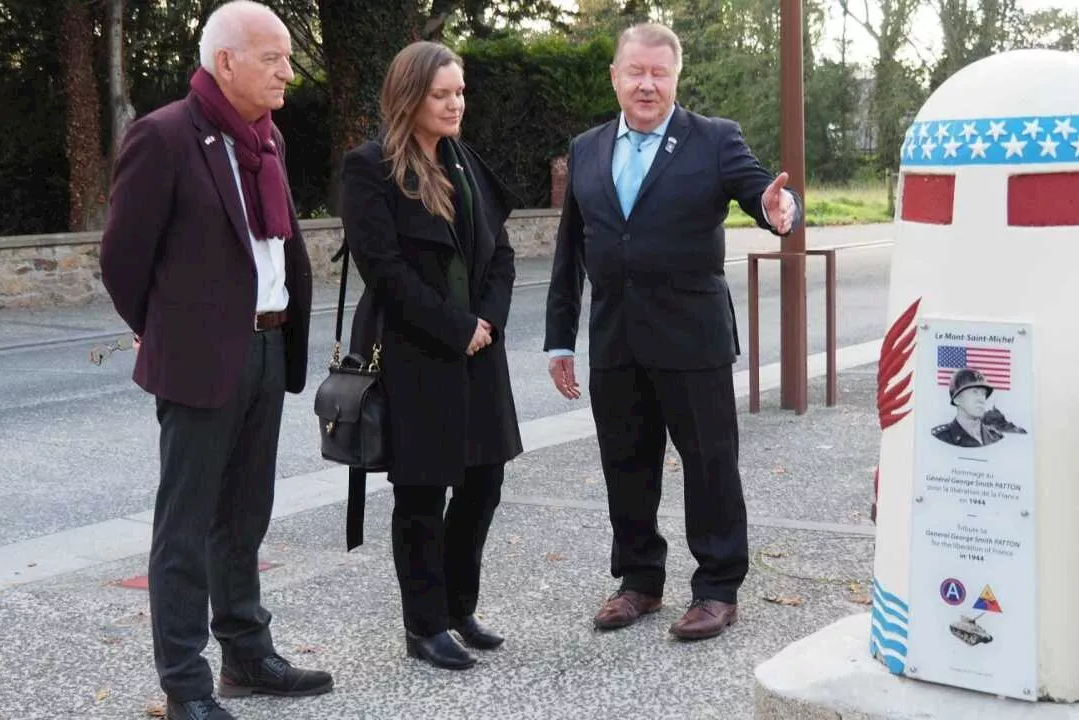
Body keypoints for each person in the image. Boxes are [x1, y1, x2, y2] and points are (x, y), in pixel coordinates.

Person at [99, 2, 332, 718]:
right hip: (202, 359)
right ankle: (186, 686)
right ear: (225, 61)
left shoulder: (269, 139)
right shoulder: (165, 136)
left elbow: (275, 247)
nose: (289, 71)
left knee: (245, 517)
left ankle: (247, 655)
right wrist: (163, 330)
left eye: (289, 58)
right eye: (275, 58)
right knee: (187, 528)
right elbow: (122, 260)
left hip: (267, 345)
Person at [544, 22, 803, 642]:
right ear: (615, 76)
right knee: (625, 464)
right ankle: (639, 580)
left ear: (676, 78)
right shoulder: (586, 148)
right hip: (615, 340)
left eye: (659, 73)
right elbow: (569, 251)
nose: (646, 84)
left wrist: (778, 213)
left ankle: (716, 588)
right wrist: (560, 339)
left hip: (693, 339)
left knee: (710, 464)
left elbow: (758, 191)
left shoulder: (714, 139)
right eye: (635, 71)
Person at [339, 40, 523, 671]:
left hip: (479, 350)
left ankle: (457, 606)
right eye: (442, 94)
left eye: (460, 92)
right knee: (422, 493)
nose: (455, 104)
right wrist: (454, 326)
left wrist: (486, 321)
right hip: (417, 354)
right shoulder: (370, 168)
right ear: (409, 97)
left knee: (484, 483)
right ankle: (423, 626)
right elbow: (384, 271)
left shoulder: (465, 162)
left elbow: (501, 253)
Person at [931, 369, 1007, 447]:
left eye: (983, 393)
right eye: (974, 392)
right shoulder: (940, 437)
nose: (981, 399)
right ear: (957, 399)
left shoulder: (996, 438)